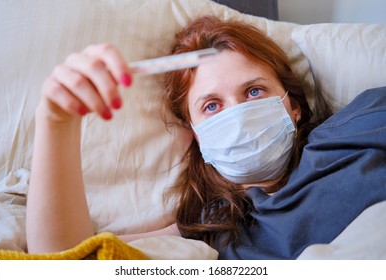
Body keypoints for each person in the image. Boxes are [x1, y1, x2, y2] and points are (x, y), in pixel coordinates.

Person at [26, 16, 386, 259]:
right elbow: (67, 261)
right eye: (212, 106)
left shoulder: (358, 125)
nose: (238, 115)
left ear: (292, 106)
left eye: (255, 92)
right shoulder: (210, 233)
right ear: (196, 135)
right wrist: (56, 119)